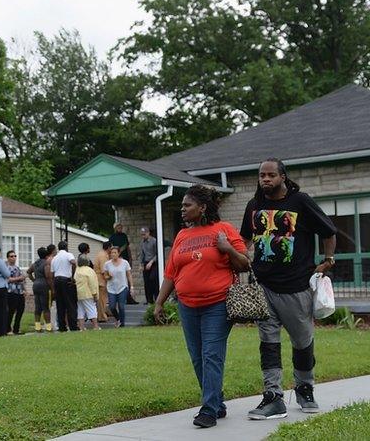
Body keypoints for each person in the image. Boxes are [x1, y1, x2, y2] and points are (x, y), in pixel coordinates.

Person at [240, 159, 337, 419]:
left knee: (302, 342)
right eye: (262, 175)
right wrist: (236, 254)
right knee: (268, 344)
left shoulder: (300, 202)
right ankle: (273, 397)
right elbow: (245, 240)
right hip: (263, 287)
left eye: (271, 175)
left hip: (296, 288)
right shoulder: (254, 206)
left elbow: (329, 231)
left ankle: (305, 388)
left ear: (283, 177)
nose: (266, 179)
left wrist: (328, 261)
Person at [155, 184, 249, 428]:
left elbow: (245, 264)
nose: (182, 209)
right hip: (187, 306)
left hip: (217, 304)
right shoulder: (181, 236)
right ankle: (217, 403)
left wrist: (227, 248)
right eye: (182, 205)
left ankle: (208, 410)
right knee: (198, 358)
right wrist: (159, 302)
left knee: (211, 356)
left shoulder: (223, 229)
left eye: (187, 205)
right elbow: (171, 273)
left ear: (203, 207)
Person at [50, 241, 78, 332]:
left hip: (57, 280)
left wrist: (53, 287)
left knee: (60, 304)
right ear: (66, 247)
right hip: (66, 280)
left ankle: (62, 326)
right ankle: (73, 326)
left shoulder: (54, 258)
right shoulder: (68, 255)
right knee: (70, 304)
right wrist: (73, 277)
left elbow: (52, 273)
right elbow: (73, 263)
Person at [28, 245, 55, 332]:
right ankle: (48, 327)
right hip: (44, 286)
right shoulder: (46, 263)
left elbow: (29, 272)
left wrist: (34, 280)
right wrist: (52, 288)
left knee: (38, 306)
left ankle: (37, 326)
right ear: (46, 254)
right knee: (46, 307)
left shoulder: (35, 263)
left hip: (36, 285)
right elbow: (48, 277)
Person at [103, 247, 131, 327]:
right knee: (112, 307)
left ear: (118, 253)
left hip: (122, 286)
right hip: (111, 288)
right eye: (112, 253)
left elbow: (129, 275)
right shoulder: (107, 264)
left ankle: (122, 324)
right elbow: (105, 276)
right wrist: (109, 277)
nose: (113, 254)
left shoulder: (125, 263)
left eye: (115, 253)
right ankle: (118, 319)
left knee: (121, 306)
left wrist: (131, 286)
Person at [74, 256, 100, 331]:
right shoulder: (89, 270)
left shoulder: (77, 270)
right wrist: (94, 294)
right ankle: (95, 326)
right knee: (91, 309)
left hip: (78, 293)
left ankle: (82, 327)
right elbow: (92, 283)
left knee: (80, 310)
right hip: (87, 293)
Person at [5, 250, 27, 335]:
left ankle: (16, 329)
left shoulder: (17, 267)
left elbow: (22, 280)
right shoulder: (6, 268)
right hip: (11, 292)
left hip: (19, 292)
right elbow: (8, 279)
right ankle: (7, 329)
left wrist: (25, 290)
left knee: (20, 310)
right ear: (8, 258)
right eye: (11, 256)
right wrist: (19, 278)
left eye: (15, 256)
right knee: (11, 311)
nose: (13, 258)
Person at [140, 227, 160, 304]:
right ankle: (149, 300)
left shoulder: (154, 241)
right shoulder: (142, 242)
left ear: (148, 233)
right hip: (146, 262)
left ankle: (156, 298)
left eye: (144, 234)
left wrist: (151, 262)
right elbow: (142, 253)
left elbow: (157, 254)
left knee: (153, 279)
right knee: (146, 281)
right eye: (141, 235)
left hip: (153, 262)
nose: (143, 236)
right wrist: (141, 264)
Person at [93, 241, 111, 322]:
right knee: (102, 300)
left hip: (99, 279)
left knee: (101, 299)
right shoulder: (103, 256)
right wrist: (109, 277)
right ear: (108, 248)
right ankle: (101, 317)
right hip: (101, 280)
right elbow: (104, 270)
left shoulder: (101, 254)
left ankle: (102, 315)